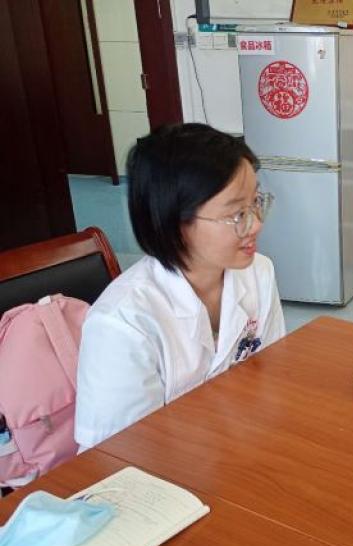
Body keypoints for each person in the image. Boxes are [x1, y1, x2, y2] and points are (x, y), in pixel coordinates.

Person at [75, 124, 286, 449]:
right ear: (175, 222)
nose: (256, 223)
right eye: (237, 214)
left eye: (256, 202)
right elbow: (118, 454)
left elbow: (272, 373)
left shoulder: (258, 272)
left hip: (241, 447)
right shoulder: (122, 323)